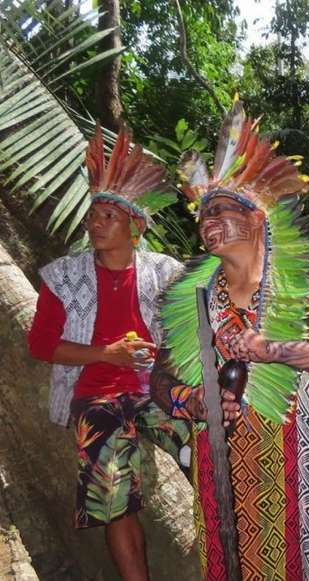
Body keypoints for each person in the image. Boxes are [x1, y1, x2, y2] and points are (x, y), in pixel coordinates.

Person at [150, 101, 309, 580]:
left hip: (295, 471)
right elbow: (159, 379)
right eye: (203, 211)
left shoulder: (307, 286)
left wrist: (278, 350)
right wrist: (192, 401)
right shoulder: (193, 302)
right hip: (220, 473)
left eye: (221, 207)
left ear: (258, 218)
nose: (207, 218)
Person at [27, 126, 190, 581]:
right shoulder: (63, 278)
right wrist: (107, 355)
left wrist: (164, 355)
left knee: (206, 447)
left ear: (135, 226)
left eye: (107, 217)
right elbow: (40, 345)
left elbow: (192, 331)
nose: (94, 224)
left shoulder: (165, 273)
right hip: (96, 401)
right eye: (92, 216)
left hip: (156, 395)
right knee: (114, 500)